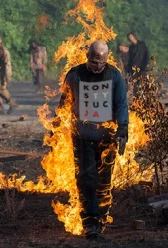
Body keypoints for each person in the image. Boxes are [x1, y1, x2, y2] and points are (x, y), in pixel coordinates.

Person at [57, 41, 128, 239]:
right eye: (94, 61)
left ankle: (101, 218)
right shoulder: (75, 74)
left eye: (101, 62)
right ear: (87, 57)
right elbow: (64, 102)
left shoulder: (114, 75)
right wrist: (57, 125)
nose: (97, 66)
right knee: (86, 179)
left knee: (104, 182)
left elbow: (121, 104)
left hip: (107, 137)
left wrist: (123, 130)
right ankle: (90, 223)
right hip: (82, 136)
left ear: (107, 59)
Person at [0, 33, 19, 114]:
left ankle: (12, 104)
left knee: (1, 90)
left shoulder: (4, 51)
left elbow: (7, 65)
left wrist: (7, 77)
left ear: (1, 41)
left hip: (1, 74)